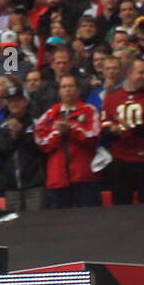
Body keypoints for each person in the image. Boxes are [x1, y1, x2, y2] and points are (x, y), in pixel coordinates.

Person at [101, 61, 144, 204]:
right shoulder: (111, 99)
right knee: (120, 206)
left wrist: (131, 127)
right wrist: (113, 131)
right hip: (121, 160)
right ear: (129, 74)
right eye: (141, 73)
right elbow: (104, 131)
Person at [34, 75, 102, 208]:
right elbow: (40, 140)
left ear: (78, 90)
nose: (67, 90)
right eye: (64, 87)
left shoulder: (89, 110)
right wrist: (59, 133)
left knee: (89, 221)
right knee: (60, 224)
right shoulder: (50, 113)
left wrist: (70, 130)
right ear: (59, 91)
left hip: (83, 176)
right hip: (57, 178)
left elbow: (93, 135)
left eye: (71, 86)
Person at [0, 87, 45, 213]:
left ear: (25, 102)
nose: (13, 104)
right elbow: (0, 150)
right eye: (10, 101)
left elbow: (40, 148)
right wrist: (12, 136)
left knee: (36, 222)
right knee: (14, 225)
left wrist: (21, 133)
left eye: (17, 100)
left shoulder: (35, 121)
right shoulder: (3, 124)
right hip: (11, 185)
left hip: (34, 183)